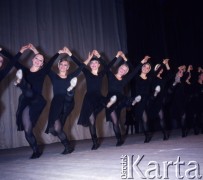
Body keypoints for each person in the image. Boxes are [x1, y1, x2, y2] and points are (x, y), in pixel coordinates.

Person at [14, 44, 62, 159]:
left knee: (29, 90)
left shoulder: (43, 71)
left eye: (41, 60)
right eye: (36, 58)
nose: (38, 61)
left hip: (36, 101)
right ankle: (36, 150)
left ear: (42, 64)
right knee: (27, 129)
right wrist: (20, 51)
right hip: (26, 101)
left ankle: (21, 83)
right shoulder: (24, 70)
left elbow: (50, 62)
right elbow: (13, 61)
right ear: (33, 59)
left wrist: (58, 53)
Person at [45, 47, 86, 154]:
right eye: (61, 64)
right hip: (56, 103)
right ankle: (68, 147)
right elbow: (46, 65)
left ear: (68, 67)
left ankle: (70, 91)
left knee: (58, 127)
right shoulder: (53, 76)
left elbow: (82, 66)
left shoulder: (71, 76)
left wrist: (71, 54)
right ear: (58, 66)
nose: (63, 66)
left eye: (65, 65)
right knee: (55, 129)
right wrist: (58, 53)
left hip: (67, 102)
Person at [104, 51, 146, 146]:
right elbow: (106, 66)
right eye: (122, 68)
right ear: (119, 68)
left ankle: (132, 101)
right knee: (115, 121)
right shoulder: (110, 75)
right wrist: (116, 57)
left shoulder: (125, 80)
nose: (123, 70)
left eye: (125, 70)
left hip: (119, 99)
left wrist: (141, 63)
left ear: (126, 73)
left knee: (123, 98)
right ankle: (119, 140)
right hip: (110, 98)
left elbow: (135, 72)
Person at [76, 50, 106, 150]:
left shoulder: (101, 74)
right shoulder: (87, 73)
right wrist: (88, 59)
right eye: (91, 63)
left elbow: (108, 66)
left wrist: (99, 56)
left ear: (99, 64)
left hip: (99, 98)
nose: (93, 64)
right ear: (90, 65)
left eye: (95, 62)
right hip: (89, 98)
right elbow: (79, 64)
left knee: (110, 104)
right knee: (91, 120)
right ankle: (95, 141)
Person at [146, 59, 171, 140]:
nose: (160, 69)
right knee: (149, 118)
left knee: (161, 117)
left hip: (160, 100)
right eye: (158, 68)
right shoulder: (152, 77)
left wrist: (166, 64)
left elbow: (170, 75)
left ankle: (165, 134)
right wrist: (162, 64)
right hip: (152, 99)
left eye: (161, 68)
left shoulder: (162, 79)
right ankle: (148, 135)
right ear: (155, 69)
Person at [131, 55, 152, 143]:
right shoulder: (136, 77)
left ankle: (148, 134)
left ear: (149, 70)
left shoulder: (150, 78)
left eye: (148, 68)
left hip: (148, 100)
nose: (145, 69)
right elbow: (135, 70)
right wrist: (142, 62)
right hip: (139, 100)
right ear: (142, 67)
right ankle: (147, 135)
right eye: (144, 66)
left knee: (147, 118)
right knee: (144, 118)